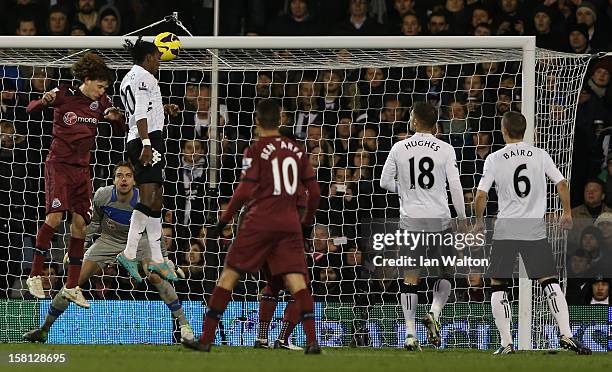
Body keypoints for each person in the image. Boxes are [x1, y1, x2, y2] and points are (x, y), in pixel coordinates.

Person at [182, 99, 321, 354]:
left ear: (257, 122)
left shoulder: (255, 150)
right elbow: (314, 191)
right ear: (280, 120)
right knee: (297, 282)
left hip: (260, 222)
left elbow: (244, 190)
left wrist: (222, 221)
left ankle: (205, 339)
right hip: (289, 224)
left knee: (229, 276)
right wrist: (306, 223)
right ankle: (312, 341)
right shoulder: (298, 150)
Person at [22, 162, 194, 343]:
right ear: (114, 180)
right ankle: (43, 330)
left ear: (135, 181)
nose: (124, 179)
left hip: (139, 242)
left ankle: (184, 326)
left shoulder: (144, 199)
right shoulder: (102, 196)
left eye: (128, 175)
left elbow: (155, 231)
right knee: (74, 282)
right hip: (108, 240)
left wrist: (164, 258)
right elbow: (93, 223)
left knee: (155, 276)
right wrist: (80, 248)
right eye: (119, 175)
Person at [473, 111, 591, 355]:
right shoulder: (540, 154)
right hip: (533, 229)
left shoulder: (495, 158)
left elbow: (481, 194)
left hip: (507, 228)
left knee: (498, 284)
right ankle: (566, 334)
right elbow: (561, 183)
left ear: (504, 130)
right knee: (549, 281)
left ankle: (507, 343)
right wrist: (567, 212)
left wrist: (478, 221)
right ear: (524, 130)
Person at [24, 52, 123, 308]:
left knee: (80, 225)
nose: (102, 91)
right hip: (59, 166)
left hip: (82, 171)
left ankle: (72, 286)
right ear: (87, 80)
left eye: (105, 88)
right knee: (55, 217)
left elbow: (118, 125)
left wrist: (115, 119)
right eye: (100, 86)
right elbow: (30, 109)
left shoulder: (101, 102)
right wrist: (43, 101)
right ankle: (35, 274)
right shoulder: (64, 94)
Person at [380, 101, 467, 351]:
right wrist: (461, 217)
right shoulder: (446, 149)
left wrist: (406, 191)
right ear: (436, 124)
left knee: (410, 278)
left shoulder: (399, 147)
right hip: (440, 220)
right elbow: (456, 186)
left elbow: (385, 182)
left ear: (414, 121)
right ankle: (434, 312)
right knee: (447, 272)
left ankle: (409, 334)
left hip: (411, 221)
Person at [117, 37, 179, 283]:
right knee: (149, 197)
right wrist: (146, 143)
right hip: (146, 140)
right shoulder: (146, 77)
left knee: (157, 200)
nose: (160, 62)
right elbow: (140, 111)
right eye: (157, 57)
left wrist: (164, 111)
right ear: (149, 57)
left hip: (144, 136)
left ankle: (158, 260)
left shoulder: (128, 78)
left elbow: (141, 110)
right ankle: (130, 252)